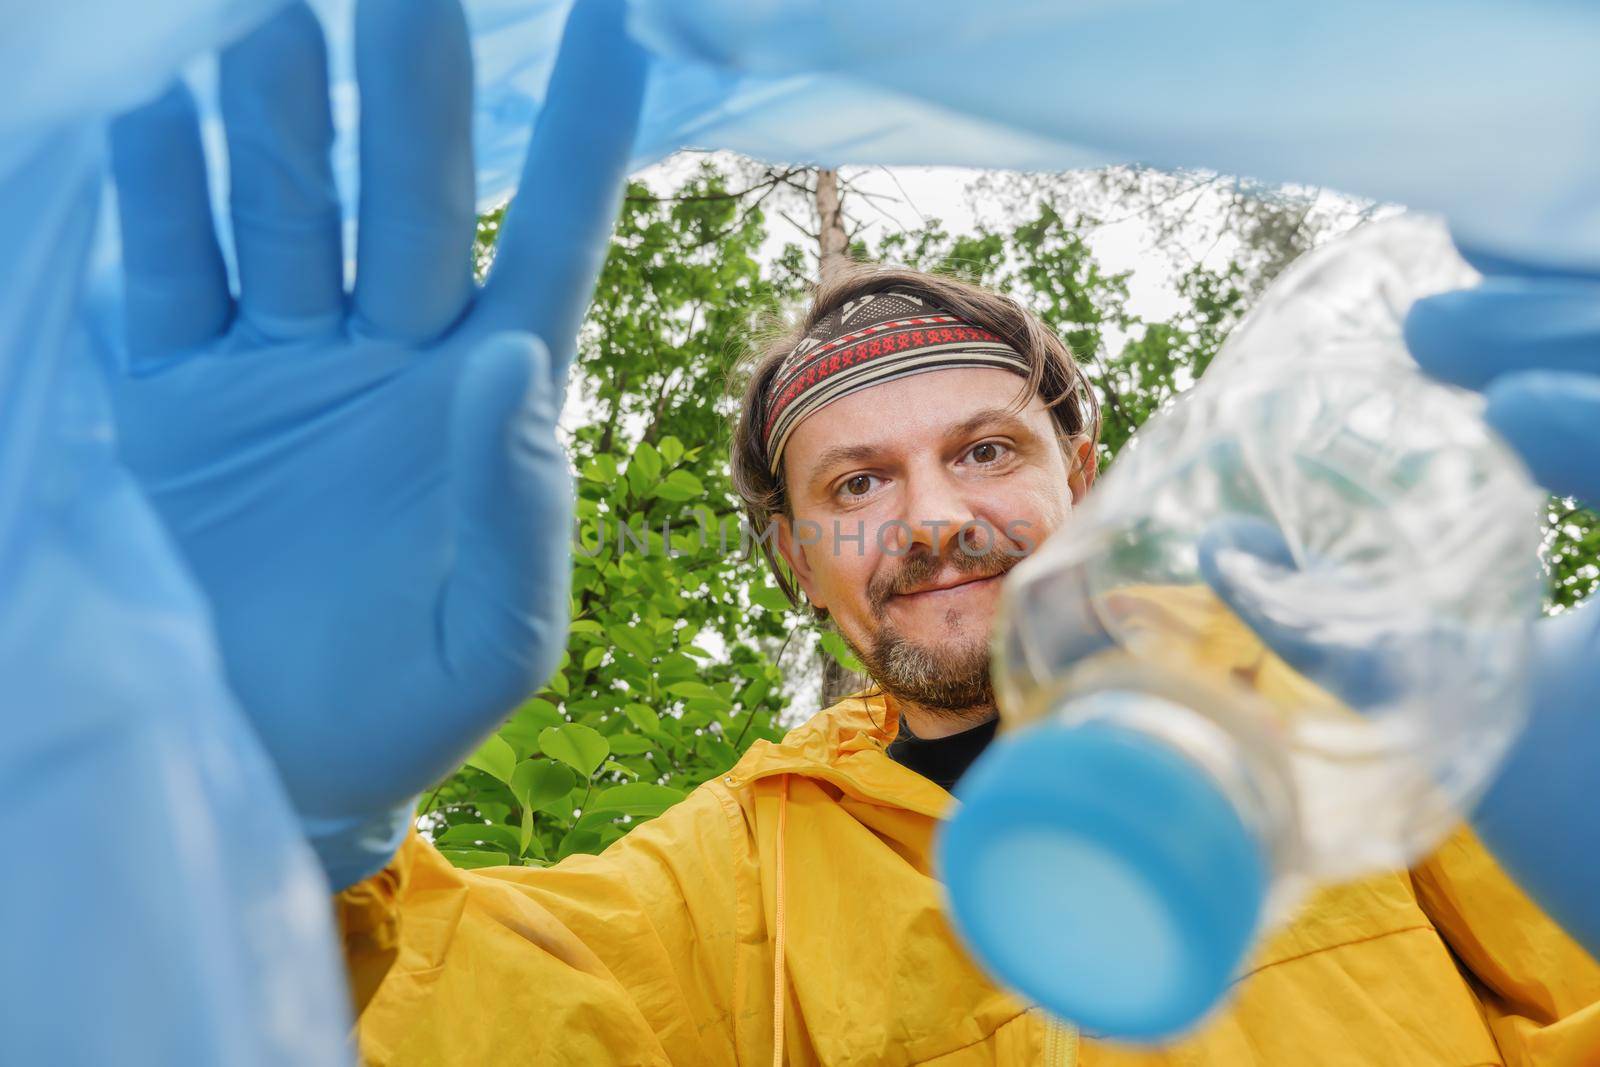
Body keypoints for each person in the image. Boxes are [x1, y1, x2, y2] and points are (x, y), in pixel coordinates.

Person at [102, 2, 1600, 1065]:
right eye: (857, 486)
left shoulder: (1363, 715)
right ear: (797, 564)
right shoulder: (723, 896)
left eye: (987, 450)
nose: (938, 517)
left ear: (1087, 472)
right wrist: (268, 826)